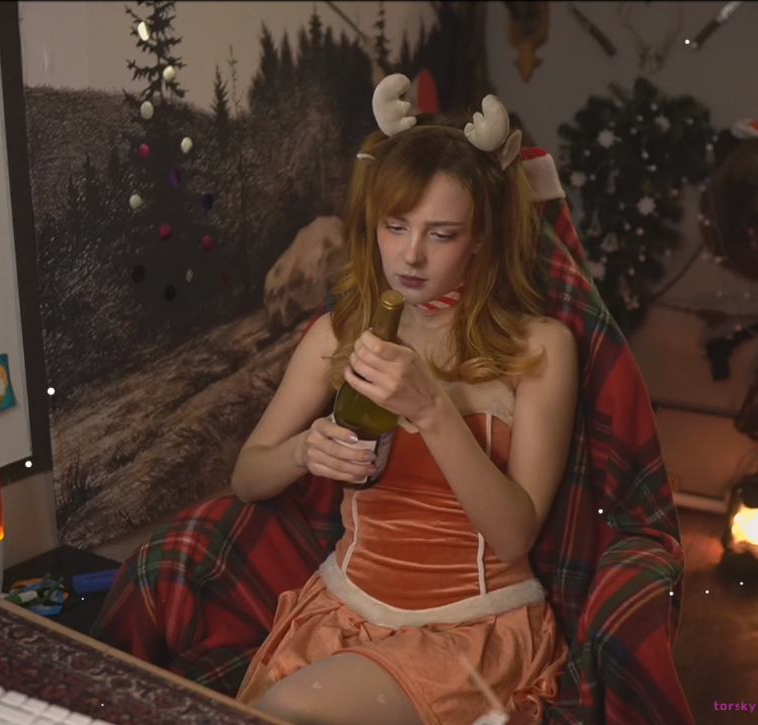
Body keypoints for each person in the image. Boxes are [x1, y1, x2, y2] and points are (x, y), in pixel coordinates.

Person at [229, 75, 578, 725]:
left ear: (480, 236)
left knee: (289, 713)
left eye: (441, 234)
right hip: (341, 610)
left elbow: (514, 535)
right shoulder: (340, 331)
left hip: (468, 626)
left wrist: (432, 409)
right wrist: (304, 451)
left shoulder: (540, 348)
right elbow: (246, 476)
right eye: (395, 226)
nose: (411, 255)